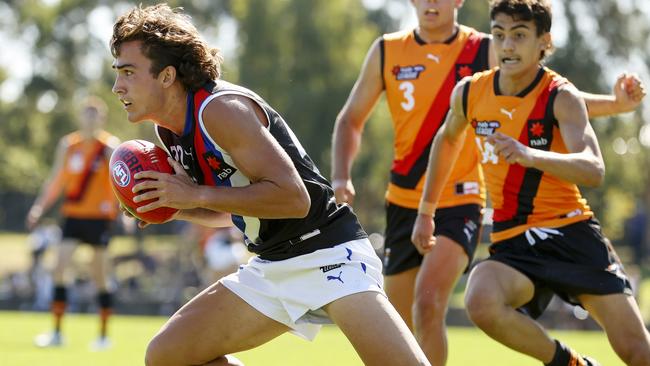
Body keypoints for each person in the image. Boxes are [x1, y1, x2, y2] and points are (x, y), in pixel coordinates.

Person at [109, 4, 429, 366]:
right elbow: (233, 210)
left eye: (128, 72)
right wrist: (175, 206)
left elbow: (295, 199)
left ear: (166, 76)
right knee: (167, 355)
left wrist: (194, 193)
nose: (117, 86)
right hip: (274, 263)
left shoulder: (221, 110)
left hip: (328, 252)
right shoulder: (169, 130)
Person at [331, 0, 646, 364]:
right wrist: (413, 205)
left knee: (636, 352)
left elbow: (575, 140)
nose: (508, 45)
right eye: (501, 36)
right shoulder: (446, 79)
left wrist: (611, 107)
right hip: (466, 223)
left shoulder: (522, 70)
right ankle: (569, 362)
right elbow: (434, 136)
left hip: (530, 220)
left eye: (518, 36)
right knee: (437, 312)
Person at [26, 96, 120, 350]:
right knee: (59, 268)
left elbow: (120, 185)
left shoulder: (110, 148)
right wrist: (38, 207)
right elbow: (56, 180)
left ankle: (103, 336)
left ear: (102, 118)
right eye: (86, 113)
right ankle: (56, 333)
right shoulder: (68, 145)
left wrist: (125, 213)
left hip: (99, 219)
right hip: (73, 216)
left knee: (99, 276)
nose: (90, 118)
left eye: (95, 114)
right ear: (80, 117)